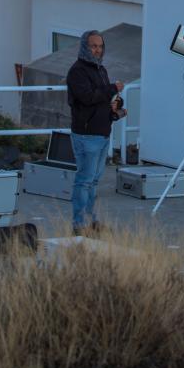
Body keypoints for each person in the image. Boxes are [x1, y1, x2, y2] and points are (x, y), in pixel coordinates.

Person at [66, 30, 125, 235]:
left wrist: (116, 107)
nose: (97, 49)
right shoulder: (77, 71)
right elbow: (87, 98)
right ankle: (79, 224)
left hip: (102, 132)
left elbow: (101, 100)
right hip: (86, 135)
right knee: (84, 180)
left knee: (93, 180)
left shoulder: (101, 69)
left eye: (100, 46)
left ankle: (90, 221)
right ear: (85, 46)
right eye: (93, 46)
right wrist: (111, 89)